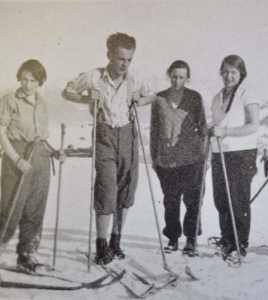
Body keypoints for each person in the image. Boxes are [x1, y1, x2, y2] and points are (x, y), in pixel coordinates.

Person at [62, 33, 156, 264]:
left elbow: (152, 94)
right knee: (106, 188)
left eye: (129, 59)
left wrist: (140, 100)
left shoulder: (134, 77)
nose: (124, 64)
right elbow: (67, 91)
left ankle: (116, 240)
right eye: (121, 58)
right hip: (104, 134)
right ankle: (101, 244)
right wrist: (86, 99)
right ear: (109, 55)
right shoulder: (94, 76)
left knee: (126, 190)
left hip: (127, 135)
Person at [0, 59, 66, 272]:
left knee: (35, 209)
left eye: (32, 80)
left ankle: (27, 254)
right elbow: (1, 132)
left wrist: (55, 152)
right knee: (10, 208)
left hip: (40, 157)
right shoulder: (9, 100)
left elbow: (41, 137)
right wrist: (15, 158)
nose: (27, 84)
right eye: (24, 79)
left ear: (40, 82)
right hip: (17, 155)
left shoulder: (42, 103)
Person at [150, 60, 207, 255]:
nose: (177, 81)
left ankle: (191, 239)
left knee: (192, 200)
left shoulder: (194, 97)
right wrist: (153, 156)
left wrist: (204, 155)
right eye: (174, 76)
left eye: (181, 77)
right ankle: (173, 238)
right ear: (169, 76)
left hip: (192, 158)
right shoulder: (159, 98)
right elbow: (154, 130)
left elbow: (203, 128)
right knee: (171, 199)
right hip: (167, 158)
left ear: (187, 78)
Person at [210, 55, 260, 258]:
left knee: (237, 201)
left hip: (241, 153)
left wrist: (227, 132)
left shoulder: (247, 93)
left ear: (241, 74)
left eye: (234, 72)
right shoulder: (217, 97)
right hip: (219, 153)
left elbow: (253, 125)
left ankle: (239, 245)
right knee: (221, 200)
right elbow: (218, 125)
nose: (229, 76)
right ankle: (227, 240)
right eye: (226, 71)